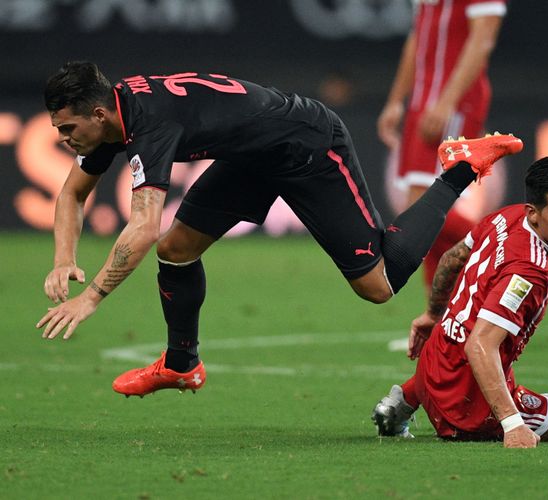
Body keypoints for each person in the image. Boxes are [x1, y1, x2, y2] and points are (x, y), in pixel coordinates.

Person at [35, 61, 523, 397]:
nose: (64, 140)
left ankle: (459, 168)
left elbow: (140, 228)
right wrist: (63, 259)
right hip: (250, 156)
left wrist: (92, 296)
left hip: (304, 144)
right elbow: (72, 194)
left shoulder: (148, 125)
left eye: (66, 129)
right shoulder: (109, 117)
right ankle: (182, 364)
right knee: (177, 248)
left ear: (97, 114)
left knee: (378, 285)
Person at [371, 157, 548, 448]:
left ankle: (403, 401)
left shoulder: (507, 217)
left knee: (464, 334)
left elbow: (451, 259)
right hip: (465, 408)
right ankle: (497, 414)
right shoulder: (530, 271)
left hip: (431, 368)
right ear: (535, 214)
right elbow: (480, 346)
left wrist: (432, 314)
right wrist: (513, 424)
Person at [377, 0, 507, 293]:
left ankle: (506, 250)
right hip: (422, 104)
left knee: (421, 212)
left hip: (455, 104)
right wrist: (397, 101)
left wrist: (447, 102)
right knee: (421, 220)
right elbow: (418, 37)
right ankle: (440, 321)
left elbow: (482, 39)